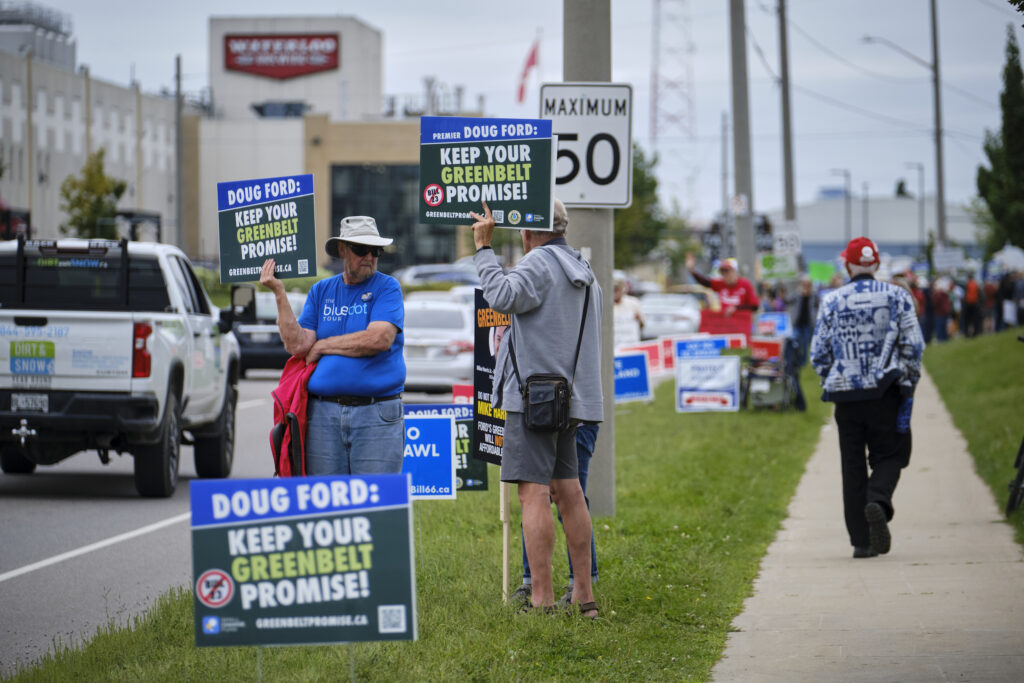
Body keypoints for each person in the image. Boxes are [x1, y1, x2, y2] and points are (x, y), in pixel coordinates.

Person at [467, 199, 603, 617]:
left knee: (532, 494)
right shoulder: (585, 273)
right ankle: (584, 596)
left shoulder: (538, 263)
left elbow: (501, 297)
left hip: (534, 401)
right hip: (573, 401)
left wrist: (484, 249)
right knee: (570, 492)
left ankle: (541, 600)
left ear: (529, 231)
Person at [260, 216, 406, 475]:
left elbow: (379, 339)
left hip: (376, 414)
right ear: (342, 250)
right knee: (326, 504)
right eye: (361, 249)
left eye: (376, 251)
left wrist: (323, 346)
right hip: (322, 415)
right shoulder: (321, 290)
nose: (370, 256)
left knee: (376, 503)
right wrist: (280, 294)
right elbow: (298, 346)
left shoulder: (388, 287)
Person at [810, 237, 924, 559]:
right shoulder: (898, 296)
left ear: (847, 265)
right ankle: (878, 499)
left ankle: (861, 542)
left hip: (845, 396)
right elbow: (914, 346)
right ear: (875, 264)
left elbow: (818, 353)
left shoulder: (831, 300)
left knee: (852, 466)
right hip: (885, 391)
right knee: (892, 454)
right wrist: (907, 379)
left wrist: (830, 378)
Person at [512, 422, 600, 607]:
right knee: (570, 497)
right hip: (573, 416)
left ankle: (549, 594)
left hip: (543, 414)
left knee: (537, 498)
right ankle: (581, 592)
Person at [685, 253, 760, 316]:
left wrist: (736, 308)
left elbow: (754, 306)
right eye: (722, 272)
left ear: (734, 272)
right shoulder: (721, 284)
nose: (725, 275)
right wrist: (692, 271)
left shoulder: (745, 284)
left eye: (727, 271)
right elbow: (706, 282)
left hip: (741, 323)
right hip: (725, 324)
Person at [789, 275, 817, 366]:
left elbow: (818, 304)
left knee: (805, 345)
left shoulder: (814, 295)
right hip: (797, 323)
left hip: (808, 324)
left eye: (807, 284)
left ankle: (803, 362)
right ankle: (795, 359)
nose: (805, 286)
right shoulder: (797, 294)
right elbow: (788, 300)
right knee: (795, 341)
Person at [613, 275, 645, 346]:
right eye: (614, 289)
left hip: (630, 346)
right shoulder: (605, 305)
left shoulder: (633, 303)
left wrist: (638, 319)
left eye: (617, 289)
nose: (615, 292)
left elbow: (642, 324)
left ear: (622, 289)